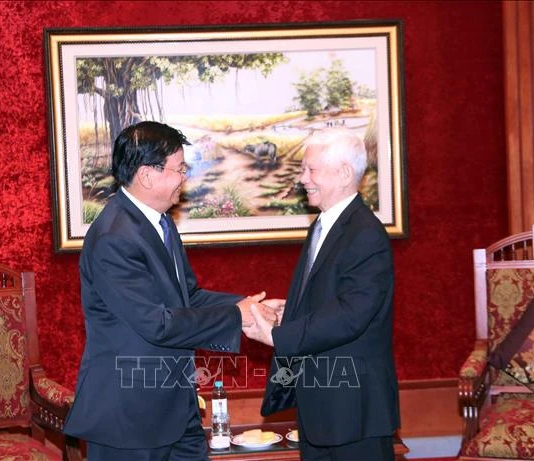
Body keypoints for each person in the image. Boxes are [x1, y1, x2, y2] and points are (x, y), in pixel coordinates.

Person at [63, 121, 275, 461]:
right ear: (147, 175)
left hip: (175, 408)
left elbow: (186, 297)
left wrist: (247, 306)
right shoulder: (114, 237)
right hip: (130, 417)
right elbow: (156, 324)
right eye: (179, 169)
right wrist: (237, 316)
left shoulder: (158, 222)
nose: (184, 178)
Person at [243, 127, 400, 460]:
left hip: (354, 412)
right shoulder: (324, 224)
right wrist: (291, 311)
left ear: (344, 173)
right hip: (322, 408)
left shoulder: (365, 234)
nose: (303, 178)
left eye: (310, 169)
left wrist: (277, 335)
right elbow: (332, 297)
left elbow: (352, 315)